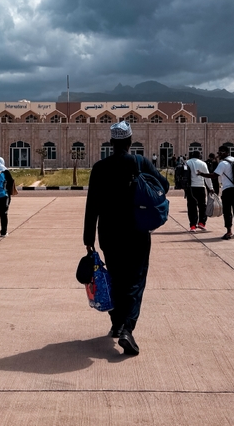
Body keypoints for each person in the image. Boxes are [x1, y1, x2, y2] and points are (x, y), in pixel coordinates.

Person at [83, 121, 169, 356]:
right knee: (135, 280)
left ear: (111, 143)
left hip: (109, 233)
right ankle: (126, 329)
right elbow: (164, 186)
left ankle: (116, 323)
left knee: (115, 278)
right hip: (137, 231)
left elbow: (92, 205)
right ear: (130, 141)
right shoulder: (140, 163)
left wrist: (88, 236)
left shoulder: (100, 168)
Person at [213, 145, 234, 239]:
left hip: (228, 190)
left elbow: (214, 175)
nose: (218, 154)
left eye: (220, 152)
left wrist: (202, 174)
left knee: (227, 211)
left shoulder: (223, 163)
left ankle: (229, 231)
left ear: (225, 152)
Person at [185, 150, 210, 232]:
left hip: (190, 187)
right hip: (200, 187)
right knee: (202, 206)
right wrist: (211, 187)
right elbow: (207, 177)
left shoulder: (187, 162)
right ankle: (202, 223)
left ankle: (192, 225)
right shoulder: (203, 164)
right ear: (199, 156)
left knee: (192, 206)